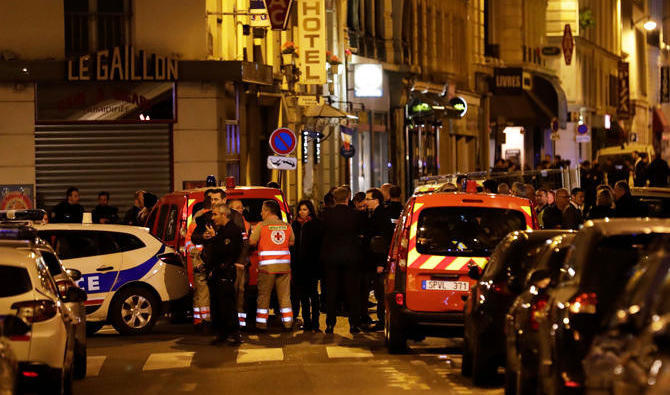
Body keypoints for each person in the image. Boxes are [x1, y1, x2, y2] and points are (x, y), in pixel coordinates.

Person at [320, 187, 362, 334]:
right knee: (352, 292)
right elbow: (360, 235)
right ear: (348, 198)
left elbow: (321, 236)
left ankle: (330, 324)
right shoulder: (355, 215)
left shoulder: (326, 215)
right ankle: (354, 324)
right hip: (350, 258)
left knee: (331, 292)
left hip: (331, 258)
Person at [201, 203, 243, 345]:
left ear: (224, 215)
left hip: (225, 272)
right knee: (218, 305)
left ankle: (234, 334)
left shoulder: (231, 231)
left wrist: (214, 238)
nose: (213, 218)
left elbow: (225, 251)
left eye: (215, 214)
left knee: (227, 305)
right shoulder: (222, 230)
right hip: (218, 272)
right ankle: (222, 334)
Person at [249, 200, 295, 331]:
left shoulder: (261, 226)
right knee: (285, 297)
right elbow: (292, 242)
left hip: (267, 269)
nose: (261, 212)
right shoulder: (286, 226)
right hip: (284, 268)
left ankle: (261, 324)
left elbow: (252, 242)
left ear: (268, 211)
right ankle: (288, 324)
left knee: (264, 296)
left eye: (262, 210)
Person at [361, 188, 394, 331]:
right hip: (371, 260)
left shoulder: (381, 215)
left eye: (368, 199)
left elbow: (383, 241)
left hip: (377, 260)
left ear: (376, 200)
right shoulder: (373, 214)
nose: (366, 202)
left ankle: (382, 320)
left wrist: (381, 263)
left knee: (380, 292)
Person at [290, 200, 322, 332]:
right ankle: (307, 322)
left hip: (312, 265)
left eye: (305, 209)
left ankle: (315, 322)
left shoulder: (316, 224)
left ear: (310, 211)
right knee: (302, 295)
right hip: (298, 266)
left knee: (313, 295)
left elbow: (319, 246)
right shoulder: (295, 225)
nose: (302, 212)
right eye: (300, 209)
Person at [227, 199, 251, 330]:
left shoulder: (246, 224)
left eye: (241, 207)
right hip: (231, 264)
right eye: (236, 208)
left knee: (241, 293)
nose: (239, 210)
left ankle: (240, 323)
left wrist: (241, 261)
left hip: (241, 265)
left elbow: (246, 243)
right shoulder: (229, 223)